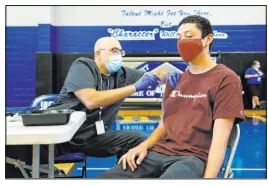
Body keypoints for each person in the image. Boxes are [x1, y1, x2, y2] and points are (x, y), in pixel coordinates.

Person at [6, 37, 180, 178]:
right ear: (98, 54)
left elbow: (159, 72)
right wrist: (134, 87)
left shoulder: (123, 74)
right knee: (12, 156)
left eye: (120, 51)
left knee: (137, 139)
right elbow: (91, 100)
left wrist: (168, 73)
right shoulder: (83, 66)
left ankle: (126, 177)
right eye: (113, 50)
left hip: (91, 139)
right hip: (59, 137)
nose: (118, 54)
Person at [97, 15, 245, 179]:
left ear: (208, 39)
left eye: (189, 36)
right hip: (158, 153)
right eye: (178, 38)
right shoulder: (175, 79)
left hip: (193, 158)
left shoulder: (226, 80)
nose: (182, 42)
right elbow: (164, 126)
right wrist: (143, 146)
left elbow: (219, 141)